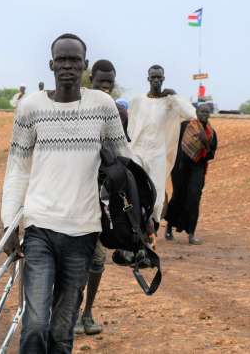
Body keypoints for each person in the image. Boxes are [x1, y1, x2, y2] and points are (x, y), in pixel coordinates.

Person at [1, 34, 131, 353]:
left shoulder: (103, 106)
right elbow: (17, 168)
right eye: (62, 59)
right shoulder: (31, 107)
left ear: (85, 65)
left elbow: (126, 161)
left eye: (75, 60)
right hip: (39, 228)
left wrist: (117, 172)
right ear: (51, 65)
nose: (68, 66)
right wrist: (8, 224)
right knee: (34, 325)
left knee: (61, 333)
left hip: (84, 231)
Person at [74, 58, 124, 337]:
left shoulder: (118, 115)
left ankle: (87, 312)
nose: (105, 89)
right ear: (90, 81)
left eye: (110, 84)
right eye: (100, 84)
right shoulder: (76, 108)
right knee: (74, 259)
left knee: (96, 260)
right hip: (71, 196)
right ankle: (69, 310)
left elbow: (121, 157)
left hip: (100, 199)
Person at [127, 65, 196, 225]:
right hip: (137, 151)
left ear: (163, 79)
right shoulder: (138, 100)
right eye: (153, 77)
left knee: (156, 192)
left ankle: (152, 226)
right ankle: (135, 225)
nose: (156, 80)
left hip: (158, 152)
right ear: (148, 79)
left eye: (159, 77)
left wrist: (175, 95)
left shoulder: (170, 102)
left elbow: (191, 114)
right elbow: (132, 125)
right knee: (135, 189)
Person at [164, 103, 218, 245]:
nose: (204, 114)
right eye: (201, 111)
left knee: (194, 198)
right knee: (178, 196)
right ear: (196, 112)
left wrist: (204, 143)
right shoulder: (185, 126)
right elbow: (173, 142)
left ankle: (191, 234)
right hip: (180, 166)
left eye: (207, 111)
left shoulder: (211, 133)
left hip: (198, 167)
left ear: (210, 113)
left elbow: (211, 154)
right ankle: (169, 227)